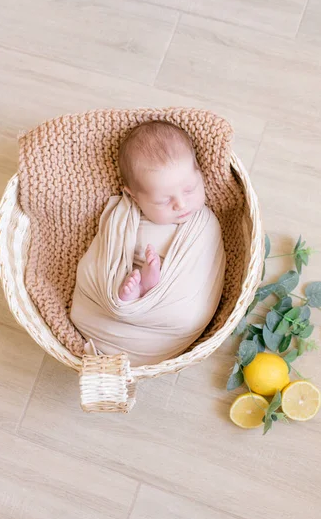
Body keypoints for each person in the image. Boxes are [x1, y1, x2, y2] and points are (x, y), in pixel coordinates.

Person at [70, 121, 225, 365]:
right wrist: (110, 284)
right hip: (108, 303)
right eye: (164, 201)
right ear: (134, 196)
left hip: (171, 310)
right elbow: (105, 253)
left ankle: (147, 287)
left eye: (190, 189)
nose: (181, 205)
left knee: (187, 314)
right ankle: (135, 290)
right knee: (95, 275)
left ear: (199, 173)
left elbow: (203, 275)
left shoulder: (204, 225)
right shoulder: (123, 216)